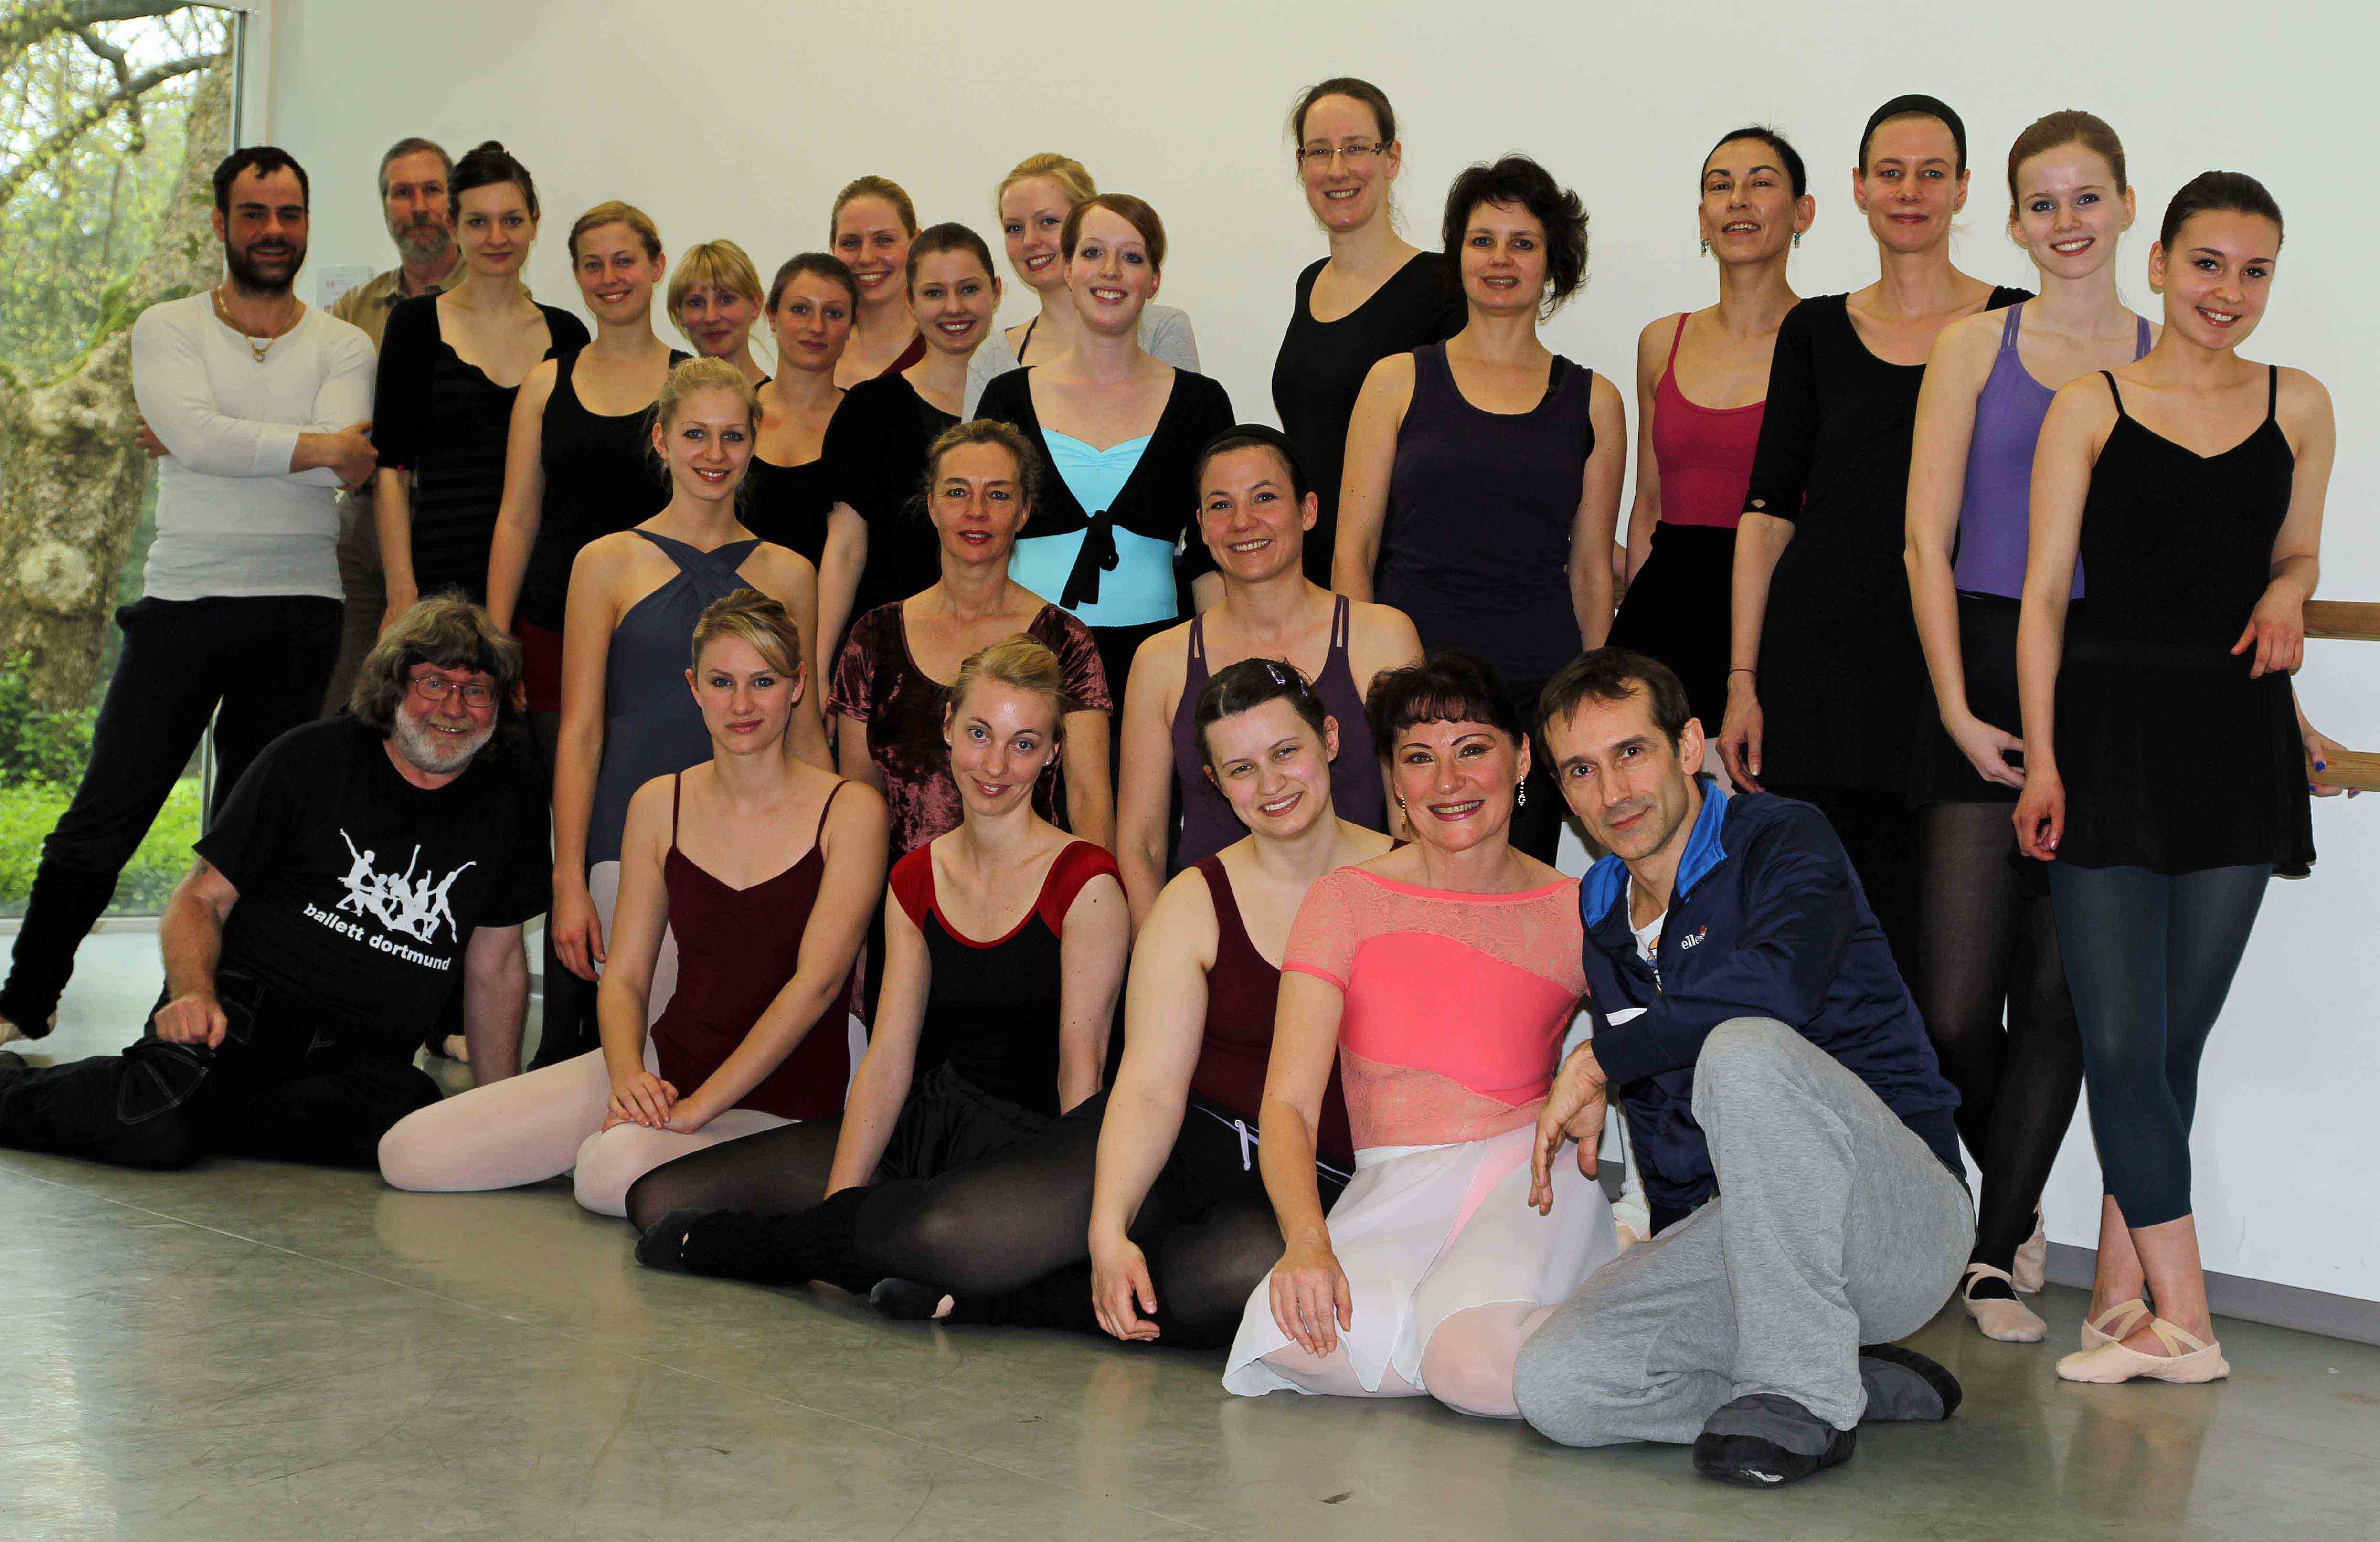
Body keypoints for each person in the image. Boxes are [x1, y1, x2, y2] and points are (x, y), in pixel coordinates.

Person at [2014, 173, 2335, 1386]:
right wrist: (2042, 758)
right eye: (2207, 264)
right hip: (2106, 740)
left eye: (2254, 271)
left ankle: (2120, 1293)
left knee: (2170, 1046)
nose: (2228, 292)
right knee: (2120, 1040)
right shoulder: (2090, 405)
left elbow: (2296, 549)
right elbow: (2042, 599)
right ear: (2157, 264)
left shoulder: (2298, 403)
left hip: (2234, 742)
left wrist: (2289, 588)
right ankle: (2190, 1323)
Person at [829, 660, 1398, 1339]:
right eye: (1242, 768)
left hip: (1324, 1181)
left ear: (1329, 739)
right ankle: (775, 1239)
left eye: (1285, 752)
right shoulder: (1196, 896)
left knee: (1246, 1267)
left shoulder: (1408, 879)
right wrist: (1106, 1227)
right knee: (944, 1230)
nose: (1271, 783)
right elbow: (1150, 1085)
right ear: (1215, 782)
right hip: (1189, 1148)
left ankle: (993, 1301)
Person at [1513, 647, 1970, 1488]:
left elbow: (1777, 987)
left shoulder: (1781, 836)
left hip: (1902, 1225)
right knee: (1561, 1387)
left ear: (1689, 747)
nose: (1611, 792)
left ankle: (1803, 1395)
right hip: (1754, 1239)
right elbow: (1660, 1115)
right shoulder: (1603, 907)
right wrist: (1664, 1255)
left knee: (1742, 1046)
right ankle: (1842, 1375)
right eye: (1580, 770)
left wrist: (1599, 1058)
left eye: (1631, 752)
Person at [1, 148, 376, 1047]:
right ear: (220, 224)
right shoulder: (167, 327)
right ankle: (24, 999)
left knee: (248, 836)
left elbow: (323, 456)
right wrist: (307, 445)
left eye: (289, 214)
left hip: (300, 606)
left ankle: (200, 1016)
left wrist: (221, 437)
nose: (273, 231)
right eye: (254, 214)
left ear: (306, 223)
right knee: (105, 813)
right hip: (181, 602)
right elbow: (220, 439)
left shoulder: (345, 344)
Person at [625, 638, 1130, 1292]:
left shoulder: (1086, 881)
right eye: (979, 733)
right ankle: (871, 1254)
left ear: (1053, 751)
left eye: (1024, 743)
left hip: (1034, 1146)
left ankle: (756, 1249)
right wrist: (838, 1204)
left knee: (934, 1234)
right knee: (656, 1198)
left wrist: (1068, 1206)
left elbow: (1080, 1070)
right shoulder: (916, 876)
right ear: (947, 725)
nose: (995, 764)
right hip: (933, 1124)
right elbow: (889, 1057)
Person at [378, 591, 883, 1214]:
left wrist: (696, 1110)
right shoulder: (658, 803)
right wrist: (628, 1080)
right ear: (694, 687)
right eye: (722, 682)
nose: (742, 704)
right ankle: (630, 1139)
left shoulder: (852, 810)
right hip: (663, 1065)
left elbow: (818, 983)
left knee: (608, 1174)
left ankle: (668, 1151)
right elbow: (625, 976)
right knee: (408, 1154)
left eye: (763, 681)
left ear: (798, 684)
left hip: (784, 1096)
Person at [1900, 112, 2152, 1342]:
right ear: (2011, 220)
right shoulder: (1972, 346)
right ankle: (2013, 1183)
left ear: (2126, 206)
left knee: (2058, 1002)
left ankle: (1993, 1251)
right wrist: (1954, 703)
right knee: (1953, 1007)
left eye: (2086, 196)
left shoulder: (2166, 354)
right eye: (2042, 202)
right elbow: (1923, 540)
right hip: (1985, 670)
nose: (2066, 222)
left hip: (2111, 686)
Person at [0, 598, 547, 1163]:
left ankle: (188, 1101)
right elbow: (200, 897)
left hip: (363, 1057)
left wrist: (498, 1109)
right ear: (394, 685)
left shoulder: (512, 798)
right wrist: (192, 993)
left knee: (413, 1127)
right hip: (241, 1017)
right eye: (434, 682)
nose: (454, 706)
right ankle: (31, 1090)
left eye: (476, 689)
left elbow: (497, 962)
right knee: (153, 1124)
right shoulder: (311, 757)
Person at [1222, 652, 1618, 1420]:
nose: (1448, 781)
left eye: (1472, 749)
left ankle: (1547, 1331)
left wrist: (1599, 1063)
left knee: (1470, 1366)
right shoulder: (1345, 901)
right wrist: (1307, 1241)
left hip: (1528, 1179)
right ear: (1394, 781)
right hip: (1392, 1190)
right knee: (1285, 1338)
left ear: (1521, 759)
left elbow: (1663, 1031)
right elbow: (1289, 1104)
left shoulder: (1577, 906)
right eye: (1419, 758)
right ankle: (1516, 1329)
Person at [1717, 95, 2029, 975]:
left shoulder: (2015, 322)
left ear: (1962, 189)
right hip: (1819, 676)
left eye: (1932, 173)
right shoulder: (1813, 330)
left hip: (1954, 674)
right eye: (1890, 173)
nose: (1909, 191)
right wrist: (1742, 682)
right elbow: (1766, 513)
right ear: (1858, 188)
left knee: (1946, 976)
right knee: (1825, 959)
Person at [539, 359, 832, 1069]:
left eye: (733, 435)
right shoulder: (605, 562)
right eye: (696, 433)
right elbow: (580, 731)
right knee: (637, 1053)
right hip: (627, 840)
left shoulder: (792, 572)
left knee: (737, 1047)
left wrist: (834, 854)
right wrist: (568, 875)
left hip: (759, 847)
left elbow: (806, 728)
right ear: (661, 439)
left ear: (755, 442)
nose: (715, 454)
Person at [1334, 155, 1626, 862]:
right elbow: (1352, 552)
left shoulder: (1595, 401)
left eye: (1522, 243)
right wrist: (1371, 696)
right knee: (1409, 890)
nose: (1501, 259)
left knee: (1514, 893)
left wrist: (1589, 708)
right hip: (1413, 692)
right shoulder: (1396, 382)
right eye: (1482, 240)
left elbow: (1592, 571)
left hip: (1535, 699)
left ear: (1552, 262)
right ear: (1457, 255)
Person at [1115, 425, 1418, 920]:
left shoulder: (1382, 636)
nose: (1242, 522)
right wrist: (1158, 950)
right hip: (1216, 933)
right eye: (1221, 505)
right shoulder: (1160, 660)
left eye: (1264, 497)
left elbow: (1411, 812)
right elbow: (1141, 844)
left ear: (1308, 510)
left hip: (1361, 926)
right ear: (1201, 527)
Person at [975, 194, 1237, 721]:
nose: (1110, 271)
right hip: (1023, 662)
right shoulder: (1005, 398)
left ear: (1154, 281)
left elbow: (1213, 553)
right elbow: (976, 537)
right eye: (1093, 253)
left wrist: (1219, 678)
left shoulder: (1202, 403)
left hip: (1158, 661)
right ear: (1067, 269)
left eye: (1132, 257)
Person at [1606, 127, 1812, 736]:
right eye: (1720, 186)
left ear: (1802, 213)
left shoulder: (1826, 342)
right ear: (1703, 218)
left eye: (1761, 183)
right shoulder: (1660, 341)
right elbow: (1648, 505)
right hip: (1663, 613)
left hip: (1776, 613)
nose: (1738, 199)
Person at [830, 420, 1113, 861]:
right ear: (932, 506)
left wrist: (1096, 894)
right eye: (957, 492)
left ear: (1023, 512)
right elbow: (859, 802)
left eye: (998, 495)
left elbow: (1089, 801)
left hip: (1032, 889)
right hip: (904, 892)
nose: (976, 512)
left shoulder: (1067, 642)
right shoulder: (873, 637)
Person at [485, 201, 688, 745]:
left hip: (665, 629)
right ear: (577, 275)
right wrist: (497, 639)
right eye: (592, 265)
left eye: (624, 261)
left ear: (656, 266)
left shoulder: (693, 383)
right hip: (553, 627)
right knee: (561, 784)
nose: (609, 278)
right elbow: (517, 518)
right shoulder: (544, 384)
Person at [373, 142, 588, 618]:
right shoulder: (414, 325)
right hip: (439, 589)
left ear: (534, 223)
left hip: (546, 590)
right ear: (453, 227)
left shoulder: (569, 334)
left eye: (512, 220)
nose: (497, 237)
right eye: (478, 222)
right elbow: (392, 469)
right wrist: (401, 593)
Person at [1271, 77, 1465, 585]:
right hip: (1309, 574)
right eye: (1319, 151)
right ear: (1302, 166)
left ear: (1391, 158)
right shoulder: (1309, 282)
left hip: (1404, 573)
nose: (1337, 170)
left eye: (1356, 148)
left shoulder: (1444, 286)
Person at [321, 136, 462, 714]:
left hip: (450, 518)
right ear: (384, 206)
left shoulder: (491, 299)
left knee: (444, 692)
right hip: (362, 524)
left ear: (454, 201)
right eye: (403, 193)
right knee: (344, 692)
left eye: (432, 190)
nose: (419, 207)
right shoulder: (353, 311)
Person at [825, 222, 1002, 634]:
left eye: (969, 289)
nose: (953, 308)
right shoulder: (868, 409)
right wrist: (818, 662)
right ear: (910, 300)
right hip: (889, 643)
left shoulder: (1028, 400)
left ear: (996, 292)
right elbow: (844, 551)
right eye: (934, 293)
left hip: (1006, 645)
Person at [964, 153, 1200, 416]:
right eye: (1014, 228)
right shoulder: (992, 359)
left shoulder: (1161, 330)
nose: (1029, 241)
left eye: (1048, 222)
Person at [748, 253, 866, 656]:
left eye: (834, 313)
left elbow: (850, 552)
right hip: (730, 633)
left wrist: (815, 663)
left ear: (852, 326)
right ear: (771, 316)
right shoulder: (734, 417)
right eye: (800, 309)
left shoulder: (867, 423)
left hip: (831, 648)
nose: (817, 327)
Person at [829, 175, 924, 386]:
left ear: (916, 243)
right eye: (850, 243)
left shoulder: (944, 348)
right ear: (833, 249)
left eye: (884, 240)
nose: (866, 258)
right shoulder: (816, 348)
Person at [667, 238, 768, 385]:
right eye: (696, 303)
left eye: (726, 300)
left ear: (756, 305)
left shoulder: (779, 401)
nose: (711, 317)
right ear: (679, 314)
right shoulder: (666, 398)